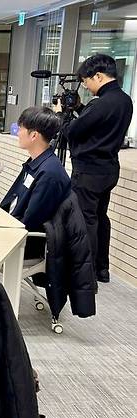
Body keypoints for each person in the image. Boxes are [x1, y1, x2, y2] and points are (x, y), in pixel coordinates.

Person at [54, 53, 133, 283]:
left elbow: (72, 132)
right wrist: (79, 108)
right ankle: (101, 268)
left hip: (89, 171)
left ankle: (83, 272)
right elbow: (95, 125)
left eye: (87, 81)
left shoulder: (101, 103)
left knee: (85, 219)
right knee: (100, 217)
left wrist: (61, 115)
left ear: (98, 76)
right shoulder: (123, 100)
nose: (86, 86)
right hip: (109, 169)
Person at [0, 107, 71, 258]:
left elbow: (31, 220)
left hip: (25, 242)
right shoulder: (36, 163)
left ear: (33, 135)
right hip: (13, 229)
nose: (17, 133)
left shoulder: (49, 173)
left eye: (20, 129)